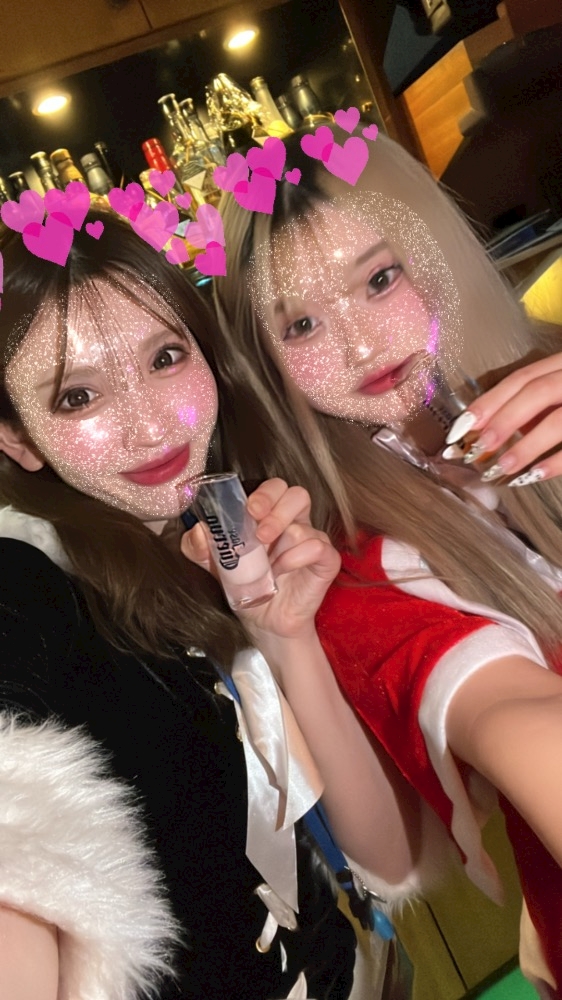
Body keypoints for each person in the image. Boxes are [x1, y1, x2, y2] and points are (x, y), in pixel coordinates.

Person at [0, 209, 424, 1000]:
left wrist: (285, 636)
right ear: (17, 439)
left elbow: (388, 862)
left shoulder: (234, 523)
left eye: (165, 357)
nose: (152, 424)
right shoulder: (28, 588)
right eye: (77, 397)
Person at [213, 124, 562, 996]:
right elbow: (509, 719)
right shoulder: (353, 563)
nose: (362, 346)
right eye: (301, 324)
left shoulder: (545, 370)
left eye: (380, 279)